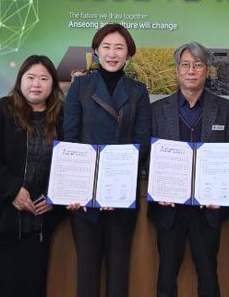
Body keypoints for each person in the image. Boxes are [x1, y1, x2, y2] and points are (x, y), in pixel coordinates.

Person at [63, 23, 151, 297]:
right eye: (106, 47)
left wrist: (115, 188)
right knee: (87, 271)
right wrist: (82, 188)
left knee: (119, 270)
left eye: (119, 48)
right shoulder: (80, 87)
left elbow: (142, 142)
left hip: (121, 195)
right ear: (96, 51)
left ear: (128, 54)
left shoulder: (138, 91)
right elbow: (71, 138)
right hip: (85, 196)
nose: (112, 54)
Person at [148, 42, 229, 297]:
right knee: (166, 277)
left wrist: (224, 193)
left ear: (207, 70)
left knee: (209, 276)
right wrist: (157, 187)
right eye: (186, 65)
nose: (191, 71)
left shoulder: (225, 109)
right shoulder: (157, 110)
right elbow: (148, 155)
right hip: (169, 208)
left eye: (198, 65)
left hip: (209, 209)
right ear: (177, 70)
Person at [0, 55, 64, 297]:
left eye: (44, 79)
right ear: (20, 80)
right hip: (0, 220)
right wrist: (12, 191)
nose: (36, 84)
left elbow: (69, 164)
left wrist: (55, 197)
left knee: (32, 287)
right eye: (30, 77)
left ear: (53, 84)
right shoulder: (0, 111)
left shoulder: (62, 117)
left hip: (38, 224)